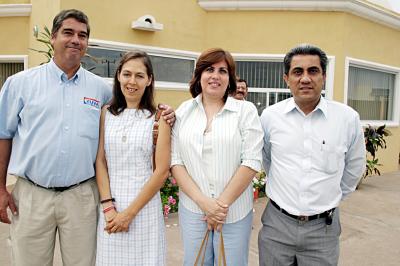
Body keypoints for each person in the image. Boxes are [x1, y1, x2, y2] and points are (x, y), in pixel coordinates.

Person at [0, 9, 174, 266]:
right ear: (53, 38)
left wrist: (167, 113)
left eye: (82, 35)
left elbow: (129, 113)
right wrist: (0, 187)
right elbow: (3, 135)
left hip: (80, 198)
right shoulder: (20, 84)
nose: (75, 40)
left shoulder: (100, 90)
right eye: (68, 33)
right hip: (32, 196)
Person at [258, 44, 366, 266]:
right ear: (286, 78)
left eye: (313, 71)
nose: (305, 78)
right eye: (298, 72)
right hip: (277, 226)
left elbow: (354, 169)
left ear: (324, 76)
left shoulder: (347, 119)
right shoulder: (270, 117)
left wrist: (329, 199)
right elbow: (267, 160)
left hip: (323, 230)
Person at [171, 48, 263, 265]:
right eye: (209, 69)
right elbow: (175, 161)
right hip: (193, 209)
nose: (215, 76)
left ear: (230, 78)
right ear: (199, 75)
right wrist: (205, 204)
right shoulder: (183, 111)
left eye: (223, 71)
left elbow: (251, 160)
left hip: (234, 212)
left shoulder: (245, 111)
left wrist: (219, 207)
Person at [95, 51, 171, 265]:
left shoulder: (159, 118)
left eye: (139, 75)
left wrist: (129, 214)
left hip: (144, 210)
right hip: (110, 208)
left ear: (149, 80)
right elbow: (100, 161)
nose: (132, 81)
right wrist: (109, 208)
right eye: (127, 74)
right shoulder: (106, 113)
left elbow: (162, 171)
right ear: (118, 76)